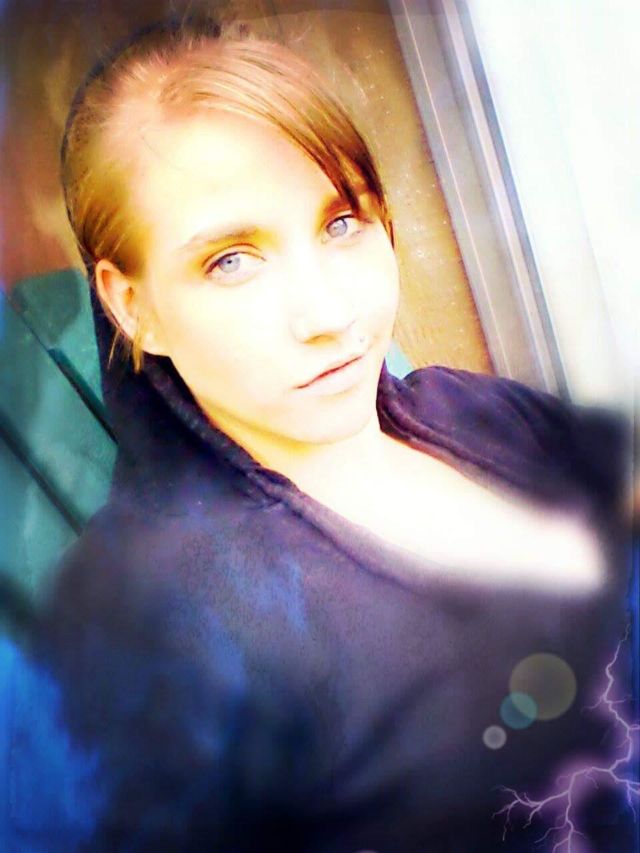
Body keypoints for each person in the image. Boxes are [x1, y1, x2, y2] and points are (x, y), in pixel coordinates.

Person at [35, 17, 635, 852]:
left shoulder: (471, 411)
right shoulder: (157, 636)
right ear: (133, 305)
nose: (327, 313)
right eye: (230, 261)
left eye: (341, 222)